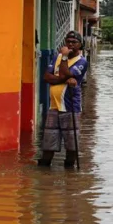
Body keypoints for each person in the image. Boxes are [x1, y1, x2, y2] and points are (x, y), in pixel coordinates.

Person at [39, 31, 89, 168]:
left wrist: (65, 59)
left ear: (80, 45)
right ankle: (44, 171)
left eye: (74, 42)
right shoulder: (57, 57)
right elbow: (46, 77)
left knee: (71, 144)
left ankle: (70, 172)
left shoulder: (82, 61)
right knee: (49, 143)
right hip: (54, 107)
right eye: (68, 41)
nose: (70, 44)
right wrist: (63, 79)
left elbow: (66, 73)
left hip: (70, 107)